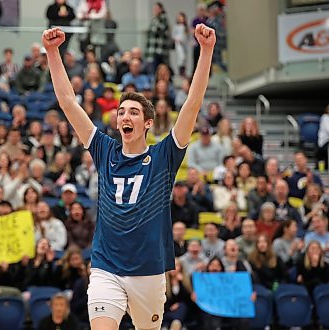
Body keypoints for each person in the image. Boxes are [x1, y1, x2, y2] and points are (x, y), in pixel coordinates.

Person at [43, 24, 215, 329]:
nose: (125, 116)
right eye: (122, 111)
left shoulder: (164, 156)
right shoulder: (104, 150)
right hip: (106, 267)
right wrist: (53, 52)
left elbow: (192, 103)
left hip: (149, 272)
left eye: (134, 112)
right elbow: (69, 102)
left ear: (147, 123)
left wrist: (206, 50)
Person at [145, 2, 172, 71]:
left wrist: (149, 30)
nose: (155, 10)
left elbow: (158, 30)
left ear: (161, 9)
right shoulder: (154, 19)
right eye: (154, 8)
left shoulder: (163, 19)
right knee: (154, 69)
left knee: (162, 69)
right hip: (153, 50)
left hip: (160, 50)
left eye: (157, 8)